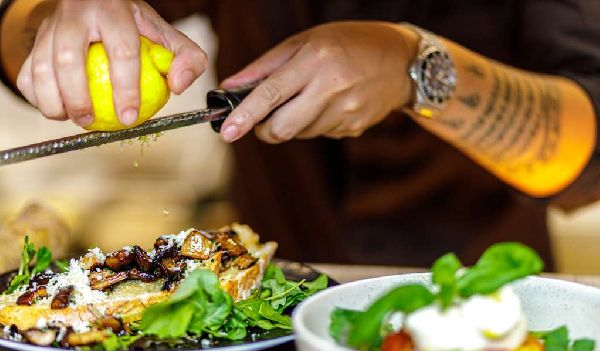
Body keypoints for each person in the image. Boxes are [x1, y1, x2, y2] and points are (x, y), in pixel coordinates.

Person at [1, 0, 599, 268]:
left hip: (481, 315)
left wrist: (414, 68)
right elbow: (13, 36)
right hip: (271, 305)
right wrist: (55, 17)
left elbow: (586, 161)